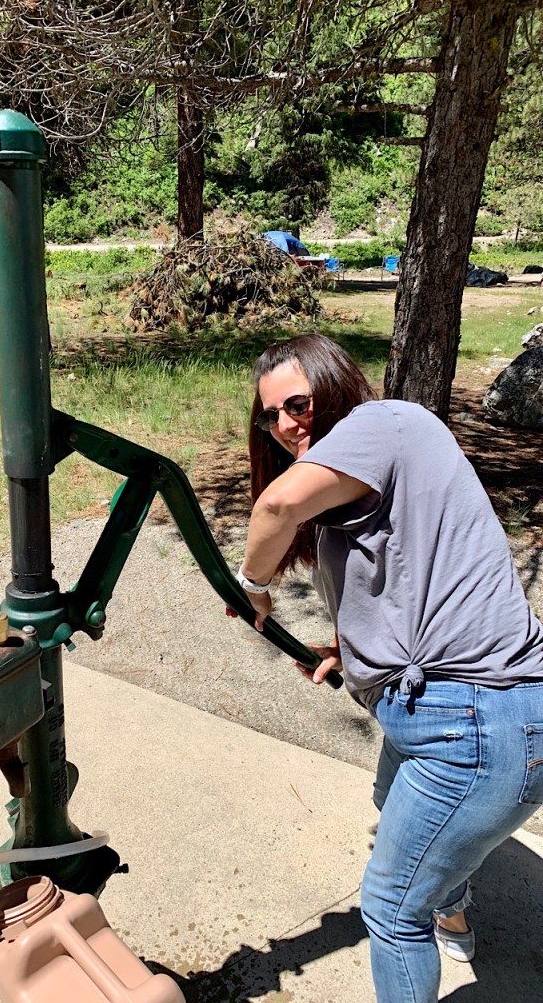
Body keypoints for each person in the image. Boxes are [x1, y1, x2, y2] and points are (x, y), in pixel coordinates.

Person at [234, 333, 543, 1003]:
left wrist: (252, 587)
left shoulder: (383, 422)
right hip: (450, 714)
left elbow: (275, 507)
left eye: (297, 403)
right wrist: (347, 651)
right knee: (391, 806)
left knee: (392, 910)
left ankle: (432, 908)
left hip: (478, 722)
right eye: (271, 415)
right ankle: (451, 912)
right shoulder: (364, 475)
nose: (285, 424)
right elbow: (405, 579)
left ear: (334, 384)